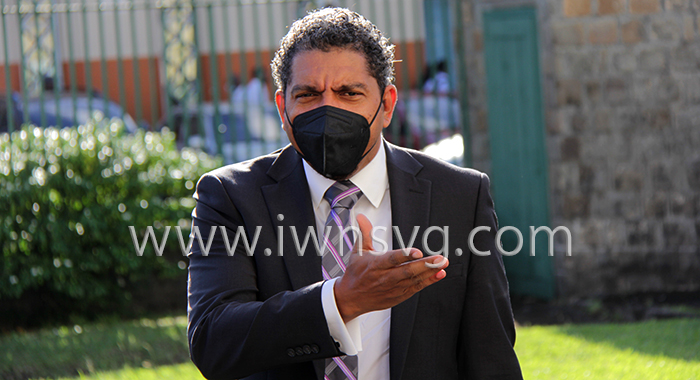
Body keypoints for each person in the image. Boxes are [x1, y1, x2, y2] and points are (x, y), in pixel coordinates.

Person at [187, 7, 522, 380]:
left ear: (387, 105)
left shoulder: (459, 194)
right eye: (309, 95)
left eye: (349, 93)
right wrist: (341, 301)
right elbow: (213, 340)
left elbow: (491, 357)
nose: (328, 111)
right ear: (284, 108)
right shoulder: (231, 196)